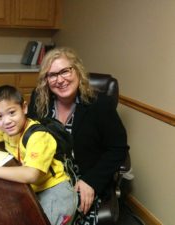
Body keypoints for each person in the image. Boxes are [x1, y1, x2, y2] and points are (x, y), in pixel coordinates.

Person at [27, 47, 129, 218]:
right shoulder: (39, 100)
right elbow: (29, 131)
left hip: (82, 179)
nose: (60, 80)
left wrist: (92, 181)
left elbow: (118, 148)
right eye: (52, 75)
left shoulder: (100, 104)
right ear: (46, 80)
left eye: (65, 71)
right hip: (43, 173)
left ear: (78, 71)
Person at [0, 85, 77, 225]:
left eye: (12, 112)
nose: (7, 121)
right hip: (31, 188)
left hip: (55, 190)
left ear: (24, 108)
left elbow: (31, 174)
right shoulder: (6, 128)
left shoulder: (38, 136)